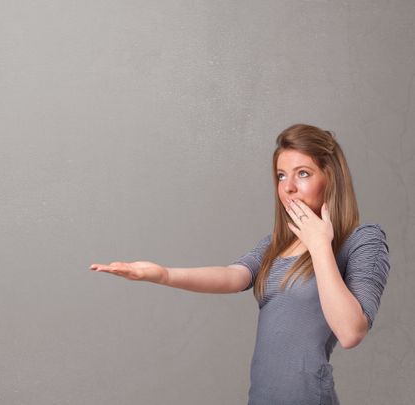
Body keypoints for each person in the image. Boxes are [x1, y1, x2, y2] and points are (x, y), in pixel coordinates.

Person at [89, 123, 391, 405]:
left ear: (331, 177)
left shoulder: (363, 240)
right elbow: (232, 276)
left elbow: (351, 332)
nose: (288, 187)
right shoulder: (275, 244)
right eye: (281, 175)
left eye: (303, 173)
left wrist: (320, 245)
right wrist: (163, 274)